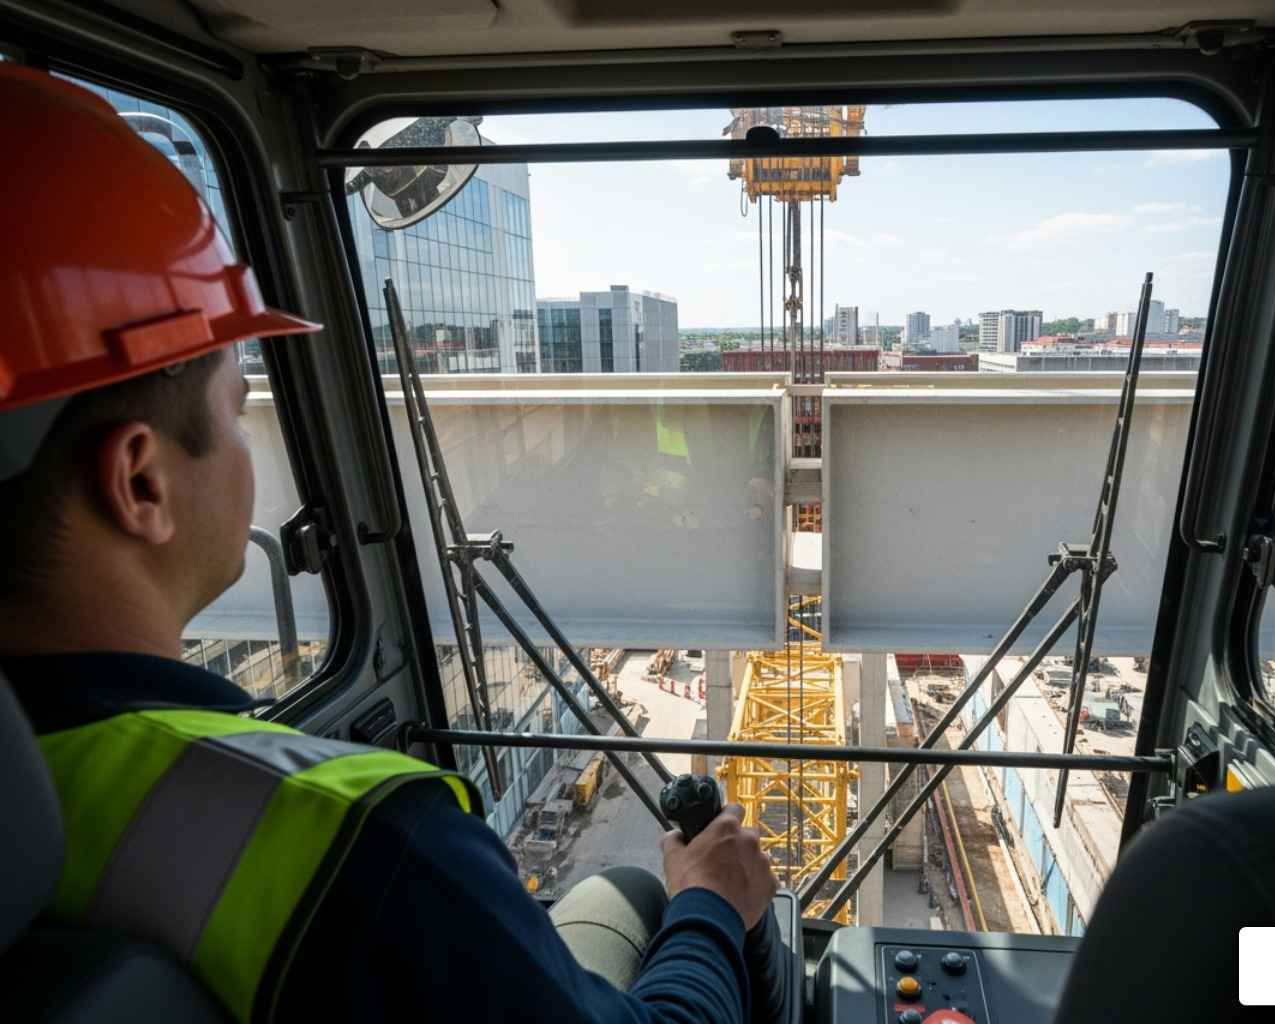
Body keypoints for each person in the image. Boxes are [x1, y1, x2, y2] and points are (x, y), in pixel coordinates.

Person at [0, 63, 780, 1023]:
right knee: (639, 897)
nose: (253, 450)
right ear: (142, 482)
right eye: (239, 411)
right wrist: (711, 908)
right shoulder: (355, 835)